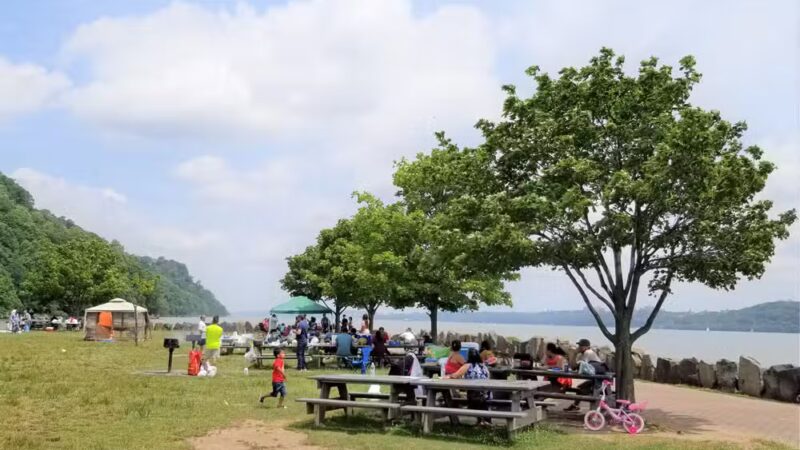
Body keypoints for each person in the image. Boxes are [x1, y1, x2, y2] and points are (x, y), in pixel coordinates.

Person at [445, 348, 491, 424]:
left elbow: (455, 375)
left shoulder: (468, 365)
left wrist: (445, 377)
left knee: (467, 397)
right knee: (480, 398)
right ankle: (484, 421)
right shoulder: (484, 366)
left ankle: (482, 421)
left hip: (474, 395)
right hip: (487, 394)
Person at [564, 339, 603, 412]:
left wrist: (575, 354)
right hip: (595, 378)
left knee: (581, 389)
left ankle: (576, 406)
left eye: (581, 346)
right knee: (580, 388)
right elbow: (573, 367)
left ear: (587, 347)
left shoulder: (588, 353)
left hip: (598, 380)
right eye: (579, 345)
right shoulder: (583, 354)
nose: (579, 347)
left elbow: (582, 367)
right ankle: (575, 406)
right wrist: (574, 354)